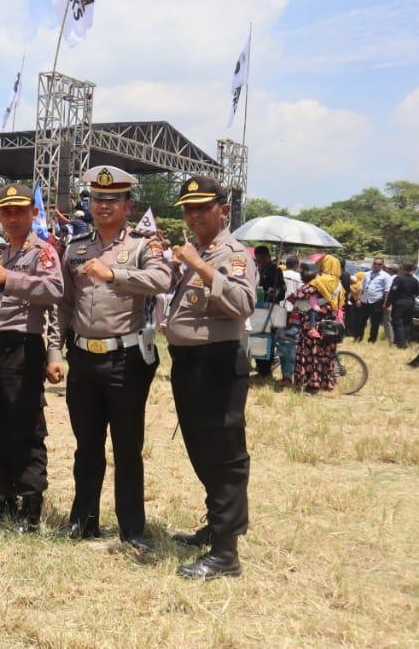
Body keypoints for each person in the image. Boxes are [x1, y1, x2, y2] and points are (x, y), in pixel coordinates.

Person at [47, 165, 171, 551]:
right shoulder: (76, 246)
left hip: (126, 359)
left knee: (126, 447)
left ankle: (132, 529)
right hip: (83, 358)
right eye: (97, 198)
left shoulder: (141, 246)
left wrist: (113, 274)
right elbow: (65, 304)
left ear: (127, 204)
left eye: (111, 199)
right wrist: (54, 348)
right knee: (87, 446)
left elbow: (162, 279)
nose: (103, 205)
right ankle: (82, 522)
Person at [163, 176, 257, 580]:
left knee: (224, 452)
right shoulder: (200, 250)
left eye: (202, 207)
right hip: (189, 362)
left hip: (218, 362)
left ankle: (226, 552)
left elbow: (243, 303)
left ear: (224, 210)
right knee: (200, 447)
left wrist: (199, 267)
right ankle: (216, 525)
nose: (194, 214)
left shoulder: (234, 254)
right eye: (188, 208)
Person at [0, 184, 63, 532]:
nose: (12, 218)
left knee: (26, 427)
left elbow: (55, 290)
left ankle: (31, 505)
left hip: (23, 346)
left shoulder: (42, 252)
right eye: (6, 212)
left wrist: (10, 279)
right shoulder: (0, 256)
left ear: (33, 213)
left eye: (19, 211)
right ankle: (6, 493)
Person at [287, 259, 343, 393]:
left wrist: (295, 299)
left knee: (312, 354)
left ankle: (312, 385)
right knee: (326, 355)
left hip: (313, 325)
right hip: (330, 324)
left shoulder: (319, 281)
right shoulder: (338, 284)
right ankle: (326, 382)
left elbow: (298, 294)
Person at [253, 246, 285, 377]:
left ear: (267, 256)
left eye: (261, 258)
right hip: (258, 308)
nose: (259, 261)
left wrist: (274, 293)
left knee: (267, 339)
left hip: (270, 309)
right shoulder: (258, 269)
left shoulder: (275, 270)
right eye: (257, 258)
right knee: (257, 338)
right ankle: (260, 367)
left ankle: (266, 370)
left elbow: (282, 291)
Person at [353, 257, 392, 343]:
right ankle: (358, 337)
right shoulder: (367, 274)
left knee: (375, 322)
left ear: (382, 266)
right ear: (372, 264)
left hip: (376, 301)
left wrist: (385, 303)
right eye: (375, 263)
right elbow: (361, 288)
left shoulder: (385, 276)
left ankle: (372, 340)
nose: (376, 265)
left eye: (379, 264)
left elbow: (387, 291)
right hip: (364, 300)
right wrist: (358, 299)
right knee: (361, 321)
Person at [387, 261, 419, 349]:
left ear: (403, 268)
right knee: (407, 322)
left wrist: (387, 303)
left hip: (400, 302)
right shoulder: (414, 280)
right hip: (410, 302)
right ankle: (406, 340)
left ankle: (401, 343)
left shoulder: (399, 278)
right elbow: (418, 292)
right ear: (412, 269)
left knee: (398, 322)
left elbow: (393, 291)